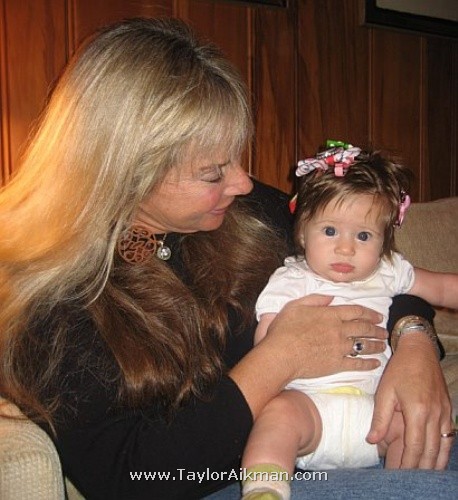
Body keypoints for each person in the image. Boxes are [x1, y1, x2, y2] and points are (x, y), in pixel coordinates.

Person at [0, 18, 455, 500]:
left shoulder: (245, 212)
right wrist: (281, 357)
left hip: (344, 439)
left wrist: (414, 345)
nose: (242, 182)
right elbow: (130, 479)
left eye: (236, 158)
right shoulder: (50, 302)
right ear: (127, 171)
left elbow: (377, 266)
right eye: (213, 172)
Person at [240, 143, 458, 499]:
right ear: (303, 232)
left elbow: (444, 288)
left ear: (383, 242)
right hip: (309, 408)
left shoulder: (389, 271)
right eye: (330, 231)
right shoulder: (291, 280)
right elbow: (267, 344)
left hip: (376, 411)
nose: (346, 248)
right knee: (277, 417)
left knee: (414, 425)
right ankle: (265, 487)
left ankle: (403, 487)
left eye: (363, 236)